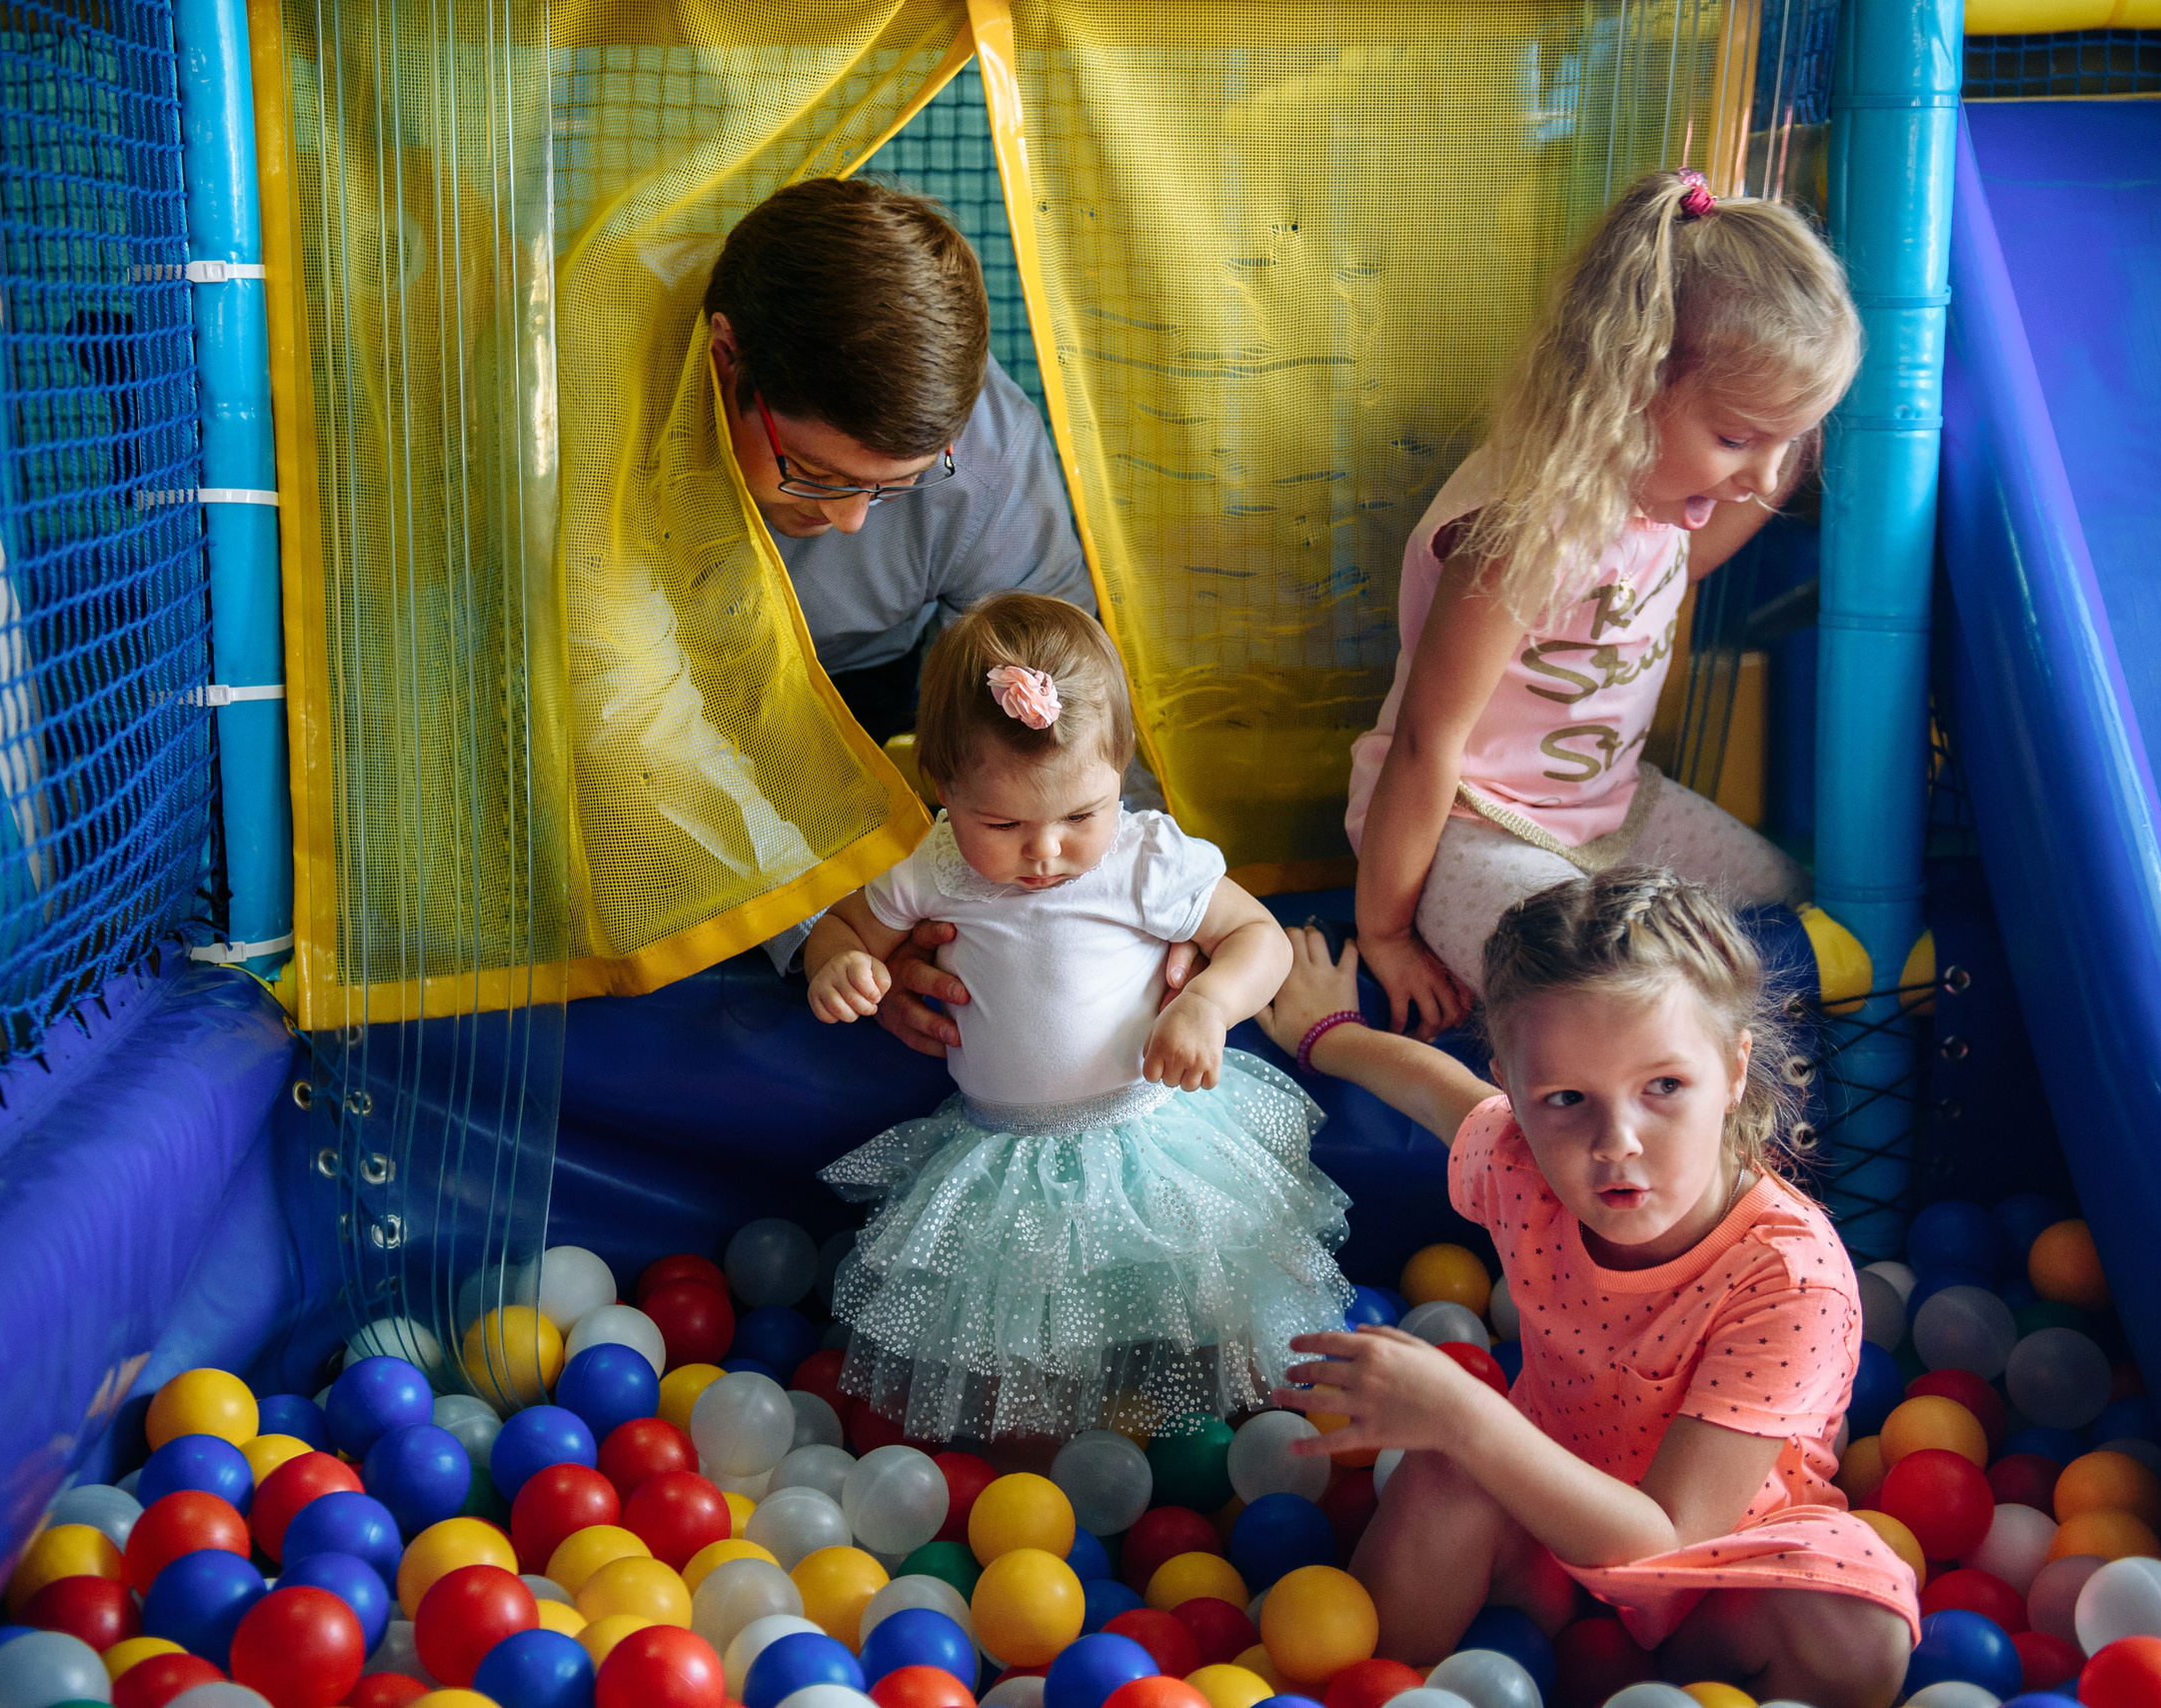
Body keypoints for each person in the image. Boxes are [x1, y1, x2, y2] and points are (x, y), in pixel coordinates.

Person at [1254, 869, 1915, 1704]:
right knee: (1441, 1473)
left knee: (1861, 1629)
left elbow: (1670, 1534)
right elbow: (1431, 1088)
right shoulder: (1519, 1158)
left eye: (1664, 1087)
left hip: (1721, 1565)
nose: (1618, 1142)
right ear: (1517, 1094)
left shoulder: (1790, 1277)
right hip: (1543, 1518)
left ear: (1736, 1068)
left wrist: (1463, 1413)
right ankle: (1394, 1685)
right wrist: (1329, 1033)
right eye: (1566, 1098)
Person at [801, 592, 1350, 1439]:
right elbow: (843, 924)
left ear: (1120, 767)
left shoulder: (1143, 858)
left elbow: (1258, 937)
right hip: (1006, 1159)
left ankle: (1249, 1441)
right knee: (1026, 1364)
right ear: (942, 788)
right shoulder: (938, 865)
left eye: (1081, 814)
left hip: (1156, 1137)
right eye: (1003, 821)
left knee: (1219, 1310)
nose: (1045, 850)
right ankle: (1060, 1477)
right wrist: (839, 960)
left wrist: (1208, 1002)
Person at [1347, 169, 1862, 1039]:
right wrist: (1386, 933)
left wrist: (1774, 444)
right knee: (1598, 1006)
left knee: (1786, 908)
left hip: (1612, 810)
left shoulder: (1664, 497)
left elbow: (1683, 561)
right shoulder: (1517, 532)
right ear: (1631, 385)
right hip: (1472, 830)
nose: (1763, 479)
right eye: (1739, 438)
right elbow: (1426, 746)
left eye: (1789, 441)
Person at [704, 178, 1181, 1041]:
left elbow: (1074, 700)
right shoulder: (606, 458)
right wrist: (823, 932)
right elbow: (647, 745)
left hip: (864, 668)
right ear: (726, 358)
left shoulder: (985, 454)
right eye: (817, 472)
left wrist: (1141, 886)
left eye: (895, 486)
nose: (847, 521)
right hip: (683, 695)